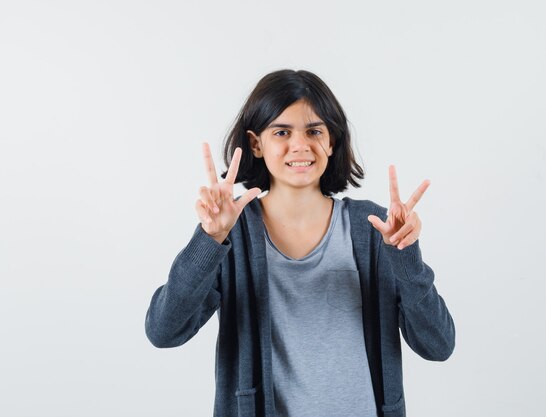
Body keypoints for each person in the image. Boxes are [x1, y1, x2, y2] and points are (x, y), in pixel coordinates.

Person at [145, 69, 455, 417]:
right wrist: (210, 239)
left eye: (314, 131)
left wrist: (405, 257)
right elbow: (164, 330)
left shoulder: (373, 229)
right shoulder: (232, 233)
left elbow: (438, 345)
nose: (300, 146)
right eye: (281, 132)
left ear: (332, 141)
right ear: (255, 143)